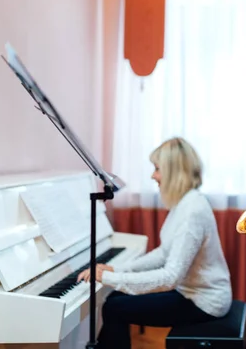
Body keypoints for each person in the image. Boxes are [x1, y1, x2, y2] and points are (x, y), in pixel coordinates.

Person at [77, 137, 232, 349]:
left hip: (203, 301)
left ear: (174, 172)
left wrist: (110, 276)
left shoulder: (192, 211)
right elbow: (163, 253)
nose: (153, 175)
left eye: (157, 168)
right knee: (114, 300)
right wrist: (117, 269)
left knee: (113, 308)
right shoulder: (186, 203)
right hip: (189, 291)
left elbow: (170, 277)